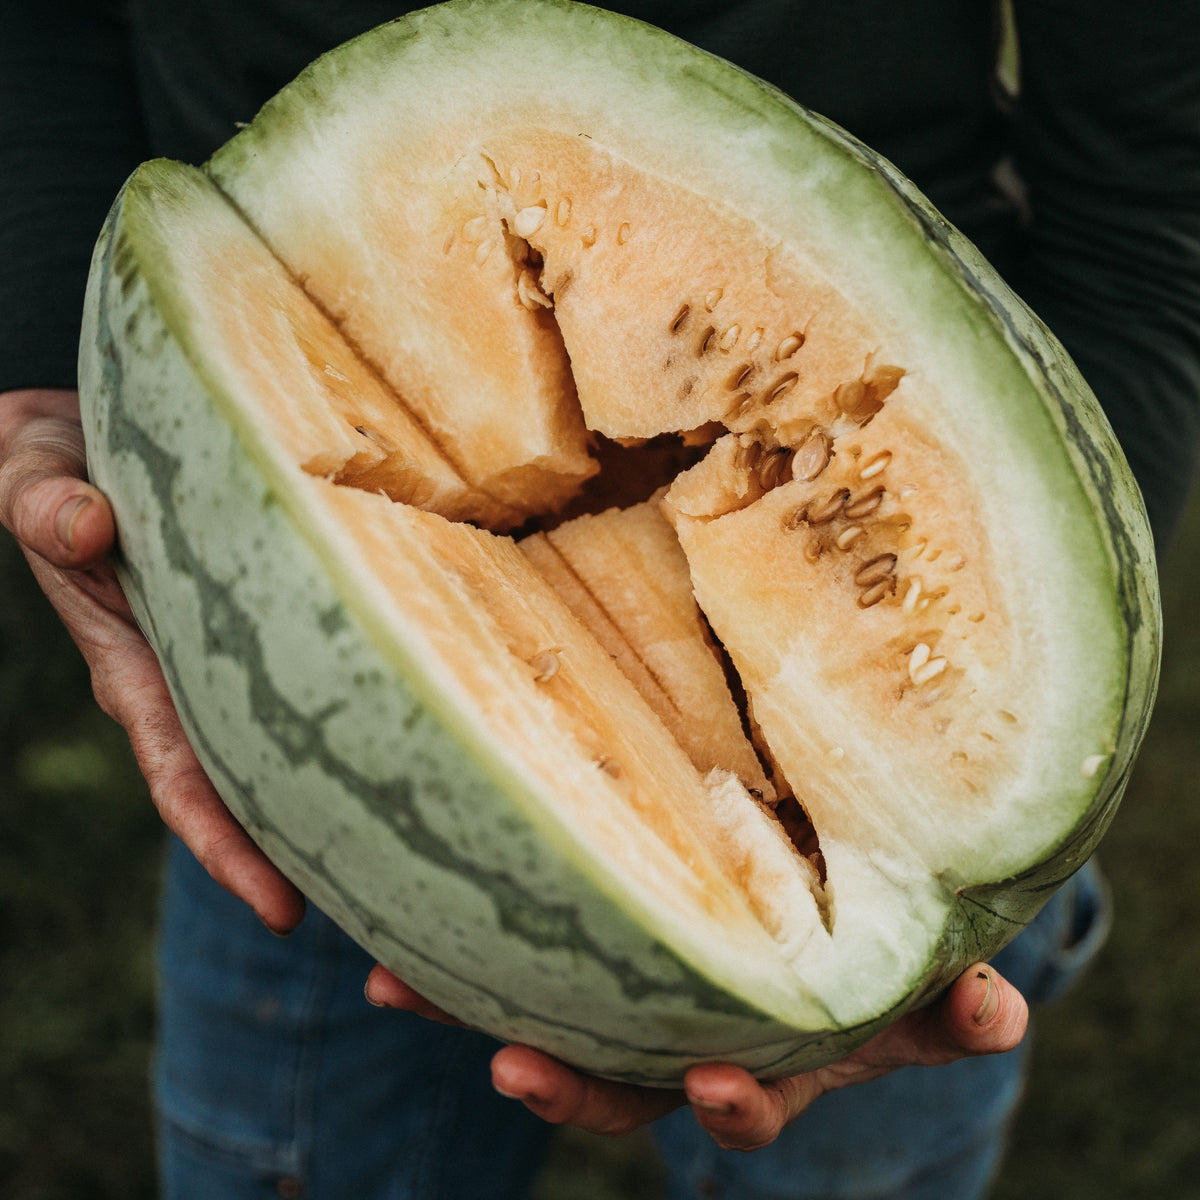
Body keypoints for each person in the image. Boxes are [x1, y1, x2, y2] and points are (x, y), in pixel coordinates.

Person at [1, 2, 1196, 1197]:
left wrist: (1040, 635)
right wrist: (50, 364)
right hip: (272, 608)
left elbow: (1153, 214)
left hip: (954, 451)